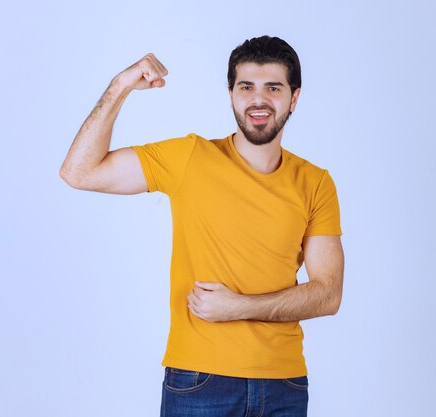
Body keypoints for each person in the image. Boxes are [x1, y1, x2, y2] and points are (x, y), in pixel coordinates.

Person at [60, 35, 344, 417]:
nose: (259, 100)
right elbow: (79, 172)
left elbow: (328, 294)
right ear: (231, 94)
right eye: (247, 87)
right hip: (200, 380)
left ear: (293, 98)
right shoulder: (191, 158)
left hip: (285, 384)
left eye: (273, 88)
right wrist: (120, 86)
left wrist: (238, 307)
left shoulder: (315, 182)